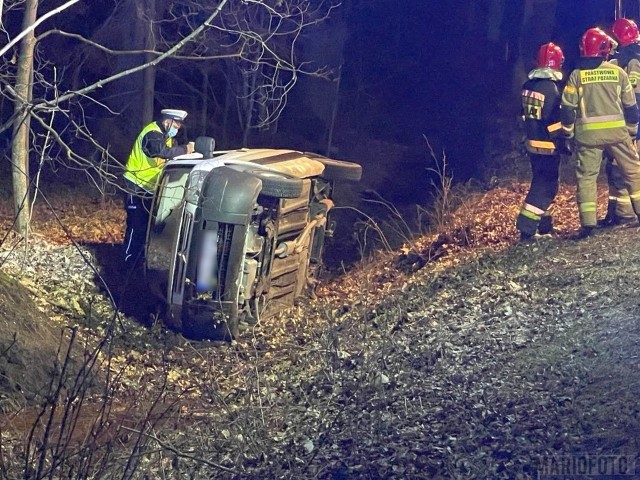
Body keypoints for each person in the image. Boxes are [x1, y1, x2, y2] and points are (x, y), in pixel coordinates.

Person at [560, 27, 640, 239]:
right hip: (618, 133)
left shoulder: (576, 75)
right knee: (632, 172)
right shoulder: (618, 72)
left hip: (588, 137)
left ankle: (588, 225)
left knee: (587, 178)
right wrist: (631, 133)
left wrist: (567, 134)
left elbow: (568, 109)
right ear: (604, 49)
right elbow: (632, 108)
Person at [123, 109, 194, 266]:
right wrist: (185, 149)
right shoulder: (152, 134)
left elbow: (171, 153)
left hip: (148, 189)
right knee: (135, 226)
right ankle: (127, 262)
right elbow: (162, 152)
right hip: (135, 186)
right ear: (167, 122)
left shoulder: (166, 137)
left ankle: (139, 259)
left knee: (144, 228)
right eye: (176, 125)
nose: (178, 129)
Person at [516, 42, 568, 242]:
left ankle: (544, 226)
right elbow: (554, 122)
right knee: (546, 186)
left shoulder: (527, 86)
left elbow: (523, 115)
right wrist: (563, 141)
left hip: (532, 144)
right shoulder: (551, 89)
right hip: (547, 146)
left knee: (540, 182)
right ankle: (527, 228)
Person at [599, 17, 640, 227]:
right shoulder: (626, 59)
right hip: (623, 126)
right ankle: (616, 213)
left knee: (623, 170)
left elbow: (634, 99)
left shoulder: (632, 62)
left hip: (630, 127)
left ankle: (626, 214)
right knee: (614, 169)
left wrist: (632, 130)